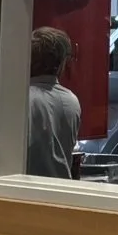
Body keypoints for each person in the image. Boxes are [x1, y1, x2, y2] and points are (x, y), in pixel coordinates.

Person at [26, 26, 81, 177]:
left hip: (26, 189)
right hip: (60, 188)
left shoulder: (22, 100)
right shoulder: (71, 100)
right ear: (63, 62)